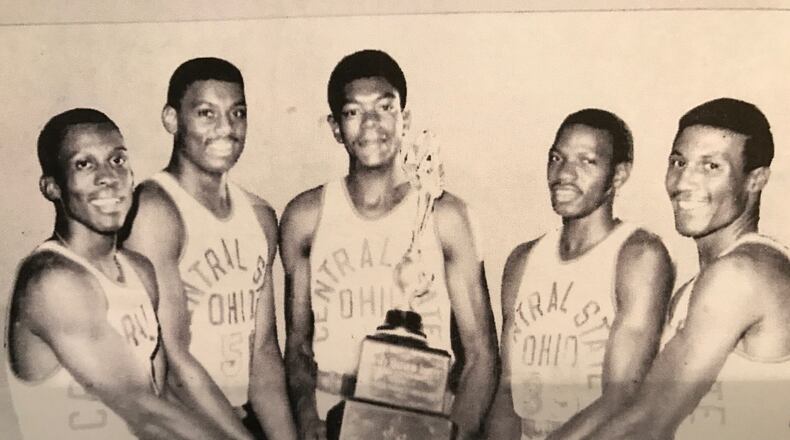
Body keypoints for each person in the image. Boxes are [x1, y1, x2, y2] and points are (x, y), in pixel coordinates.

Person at [280, 49, 499, 440]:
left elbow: (481, 354)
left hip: (425, 419)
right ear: (334, 127)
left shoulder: (446, 216)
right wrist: (306, 417)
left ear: (406, 119)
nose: (371, 125)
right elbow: (297, 346)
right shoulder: (305, 216)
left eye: (384, 107)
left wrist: (456, 435)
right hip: (333, 421)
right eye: (352, 112)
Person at [5, 108, 238, 439]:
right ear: (52, 187)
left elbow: (161, 395)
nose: (108, 177)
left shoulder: (139, 271)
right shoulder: (50, 280)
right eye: (84, 164)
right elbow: (145, 411)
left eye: (118, 161)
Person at [588, 98, 790, 440]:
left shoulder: (744, 273)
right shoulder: (694, 289)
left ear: (755, 180)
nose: (684, 182)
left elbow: (646, 422)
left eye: (711, 167)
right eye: (678, 162)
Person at [122, 57, 296, 439]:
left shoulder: (260, 216)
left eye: (238, 113)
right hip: (179, 425)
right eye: (206, 113)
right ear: (172, 119)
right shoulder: (154, 210)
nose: (227, 128)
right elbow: (172, 360)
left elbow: (264, 354)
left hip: (237, 420)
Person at [485, 109, 675, 440]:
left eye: (586, 161)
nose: (565, 174)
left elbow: (622, 397)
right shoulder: (523, 260)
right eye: (557, 158)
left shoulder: (639, 255)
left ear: (618, 175)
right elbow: (508, 393)